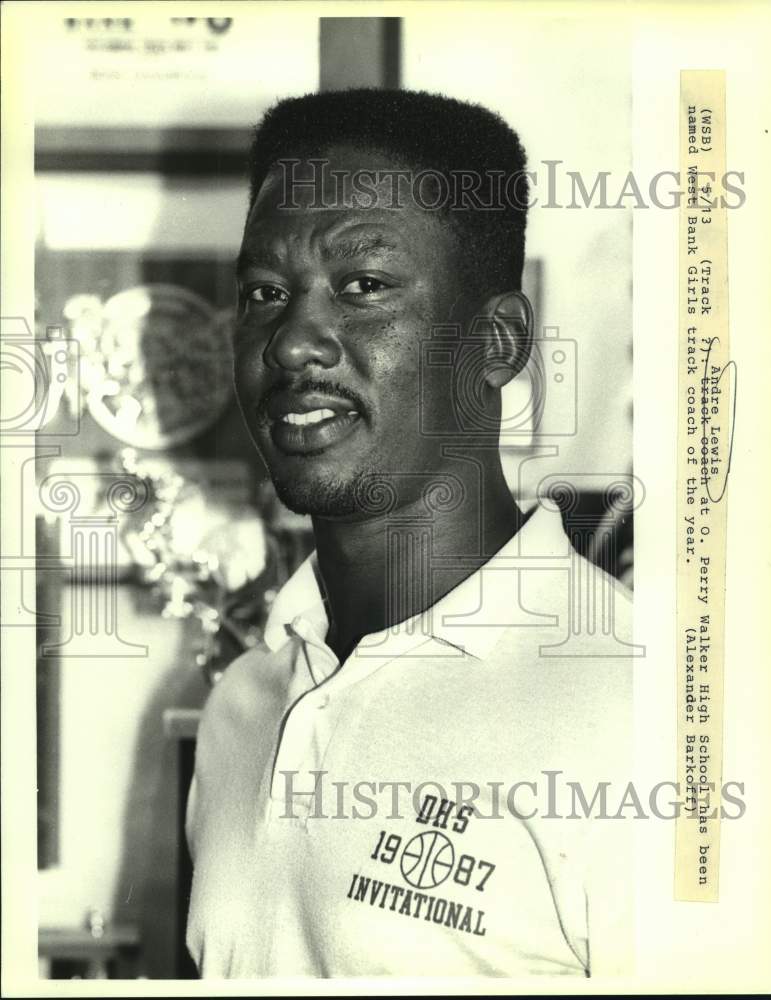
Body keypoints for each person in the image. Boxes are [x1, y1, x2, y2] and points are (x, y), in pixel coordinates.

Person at [186, 89, 633, 979]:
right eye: (265, 293)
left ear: (498, 342)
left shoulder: (637, 704)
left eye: (364, 286)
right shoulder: (243, 703)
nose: (294, 342)